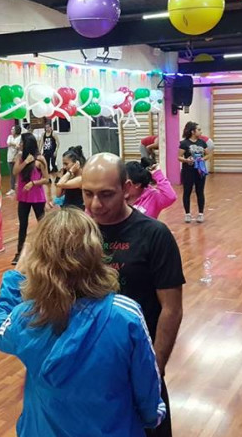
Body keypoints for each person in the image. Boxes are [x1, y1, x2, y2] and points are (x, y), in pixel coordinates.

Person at [0, 208, 165, 436]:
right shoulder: (125, 314)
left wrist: (16, 276)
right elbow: (146, 385)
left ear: (37, 260)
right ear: (95, 252)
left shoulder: (26, 316)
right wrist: (152, 416)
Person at [82, 153, 185, 437]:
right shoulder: (79, 234)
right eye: (88, 194)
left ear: (126, 188)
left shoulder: (155, 235)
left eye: (106, 194)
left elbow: (172, 308)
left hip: (139, 364)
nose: (95, 204)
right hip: (90, 367)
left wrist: (155, 367)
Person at [12, 133, 51, 265]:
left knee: (42, 225)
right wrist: (26, 162)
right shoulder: (20, 157)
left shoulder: (40, 159)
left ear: (27, 143)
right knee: (23, 225)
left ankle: (46, 251)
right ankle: (19, 253)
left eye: (22, 142)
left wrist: (33, 183)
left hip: (37, 197)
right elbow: (15, 172)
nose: (20, 144)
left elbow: (46, 179)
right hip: (23, 197)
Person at [178, 121, 211, 223]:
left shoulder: (202, 142)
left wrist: (202, 159)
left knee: (200, 191)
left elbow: (208, 154)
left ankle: (200, 214)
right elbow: (179, 157)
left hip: (200, 171)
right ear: (193, 131)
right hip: (188, 171)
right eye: (199, 130)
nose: (201, 132)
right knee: (187, 191)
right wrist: (187, 160)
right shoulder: (184, 143)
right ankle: (187, 214)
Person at [6, 125, 22, 196]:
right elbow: (8, 143)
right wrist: (15, 144)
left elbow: (20, 147)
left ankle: (20, 186)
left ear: (16, 130)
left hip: (17, 158)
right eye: (11, 129)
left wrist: (14, 145)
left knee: (20, 173)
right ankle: (12, 189)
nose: (11, 130)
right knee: (12, 174)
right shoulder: (9, 137)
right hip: (10, 158)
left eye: (13, 129)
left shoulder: (20, 137)